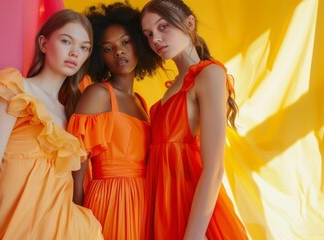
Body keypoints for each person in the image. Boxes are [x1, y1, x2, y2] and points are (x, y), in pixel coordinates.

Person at [0, 9, 103, 239]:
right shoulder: (14, 91)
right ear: (43, 43)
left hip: (65, 231)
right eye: (66, 41)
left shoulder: (72, 115)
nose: (74, 53)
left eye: (84, 47)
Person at [140, 0, 249, 239]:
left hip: (191, 210)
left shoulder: (209, 74)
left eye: (163, 26)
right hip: (161, 207)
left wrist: (194, 236)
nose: (155, 39)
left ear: (189, 23)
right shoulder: (171, 88)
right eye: (148, 34)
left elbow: (215, 167)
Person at [67, 2, 161, 240]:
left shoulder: (142, 102)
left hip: (143, 201)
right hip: (109, 199)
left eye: (126, 42)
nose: (119, 51)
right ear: (100, 57)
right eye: (108, 49)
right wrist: (76, 219)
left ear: (139, 44)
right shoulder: (98, 94)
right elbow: (75, 169)